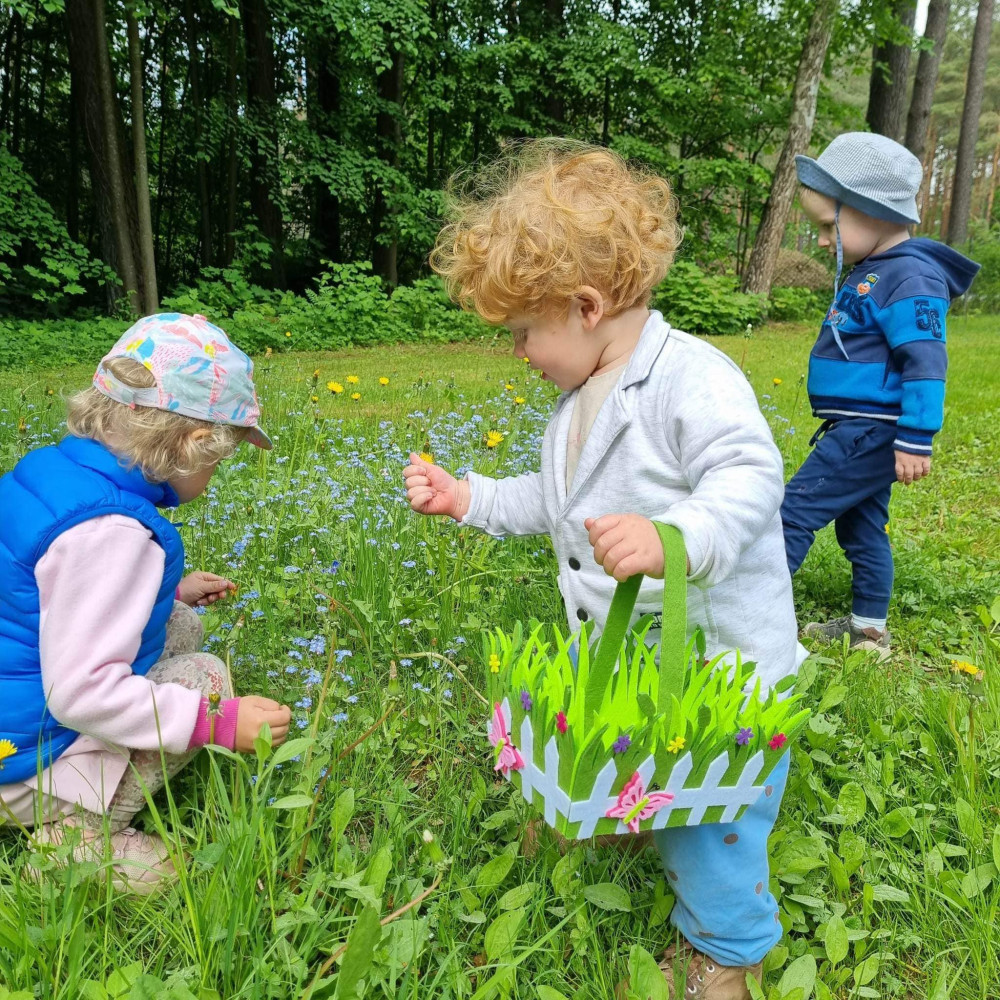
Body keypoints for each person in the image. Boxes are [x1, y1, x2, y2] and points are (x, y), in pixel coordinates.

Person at [403, 140, 806, 1000]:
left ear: (585, 306)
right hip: (634, 660)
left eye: (521, 332)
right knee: (637, 756)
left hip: (721, 671)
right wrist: (468, 497)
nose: (517, 352)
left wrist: (678, 536)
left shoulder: (690, 380)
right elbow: (553, 506)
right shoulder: (573, 405)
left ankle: (727, 950)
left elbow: (749, 476)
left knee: (714, 818)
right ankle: (627, 816)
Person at [0, 313, 292, 894]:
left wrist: (165, 590)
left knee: (179, 621)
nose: (212, 474)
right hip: (23, 758)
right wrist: (215, 724)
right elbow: (80, 691)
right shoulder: (109, 532)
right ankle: (78, 835)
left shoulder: (53, 473)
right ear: (189, 445)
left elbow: (45, 590)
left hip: (11, 702)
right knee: (204, 678)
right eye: (217, 460)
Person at [782, 133, 980, 657]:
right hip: (859, 427)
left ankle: (754, 613)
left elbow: (926, 362)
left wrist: (916, 437)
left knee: (791, 512)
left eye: (829, 226)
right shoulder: (874, 270)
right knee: (861, 524)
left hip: (870, 430)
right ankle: (869, 631)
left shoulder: (910, 276)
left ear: (871, 208)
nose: (824, 241)